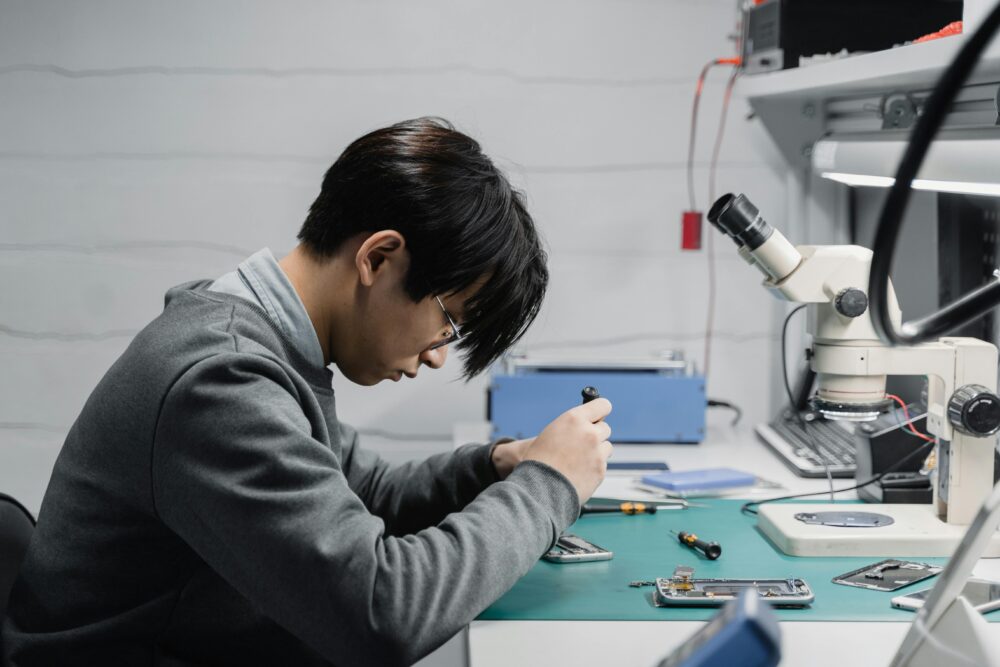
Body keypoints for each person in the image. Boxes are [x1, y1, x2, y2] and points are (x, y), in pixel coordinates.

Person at [2, 117, 613, 667]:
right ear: (379, 258)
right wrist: (548, 487)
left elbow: (366, 491)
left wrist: (498, 465)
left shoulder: (259, 339)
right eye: (448, 320)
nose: (436, 354)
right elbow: (382, 612)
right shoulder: (220, 380)